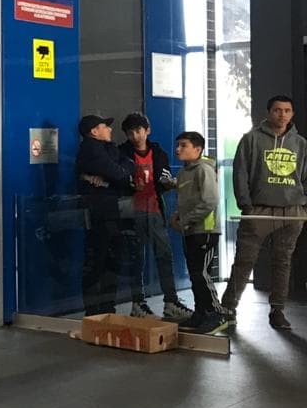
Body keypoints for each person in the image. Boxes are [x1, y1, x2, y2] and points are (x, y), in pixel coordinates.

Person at [219, 95, 307, 331]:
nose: (282, 115)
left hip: (292, 212)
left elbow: (305, 178)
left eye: (287, 110)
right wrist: (246, 205)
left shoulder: (300, 143)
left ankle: (277, 311)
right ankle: (228, 307)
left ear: (292, 114)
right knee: (244, 261)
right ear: (269, 112)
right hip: (258, 210)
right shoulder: (251, 140)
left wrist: (303, 206)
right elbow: (240, 173)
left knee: (283, 262)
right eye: (278, 110)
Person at [118, 112, 185, 319]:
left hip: (154, 210)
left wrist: (168, 184)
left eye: (139, 131)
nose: (135, 136)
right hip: (131, 212)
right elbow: (116, 178)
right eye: (130, 133)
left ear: (147, 131)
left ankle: (171, 302)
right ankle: (138, 303)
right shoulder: (120, 153)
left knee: (164, 255)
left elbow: (164, 178)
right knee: (136, 258)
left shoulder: (158, 153)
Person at [76, 114, 135, 316]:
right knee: (97, 261)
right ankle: (93, 311)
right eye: (105, 127)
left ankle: (108, 306)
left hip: (112, 212)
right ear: (94, 131)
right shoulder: (90, 149)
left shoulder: (109, 148)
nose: (110, 130)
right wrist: (119, 174)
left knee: (113, 260)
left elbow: (128, 166)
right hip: (98, 215)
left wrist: (116, 175)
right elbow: (119, 173)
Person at [171, 131, 225, 334]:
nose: (178, 149)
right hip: (190, 231)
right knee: (195, 274)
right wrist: (177, 216)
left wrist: (186, 220)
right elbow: (186, 201)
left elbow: (210, 201)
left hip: (206, 230)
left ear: (198, 149)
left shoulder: (204, 169)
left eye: (183, 145)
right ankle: (200, 313)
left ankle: (217, 313)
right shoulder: (183, 173)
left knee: (201, 273)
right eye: (178, 145)